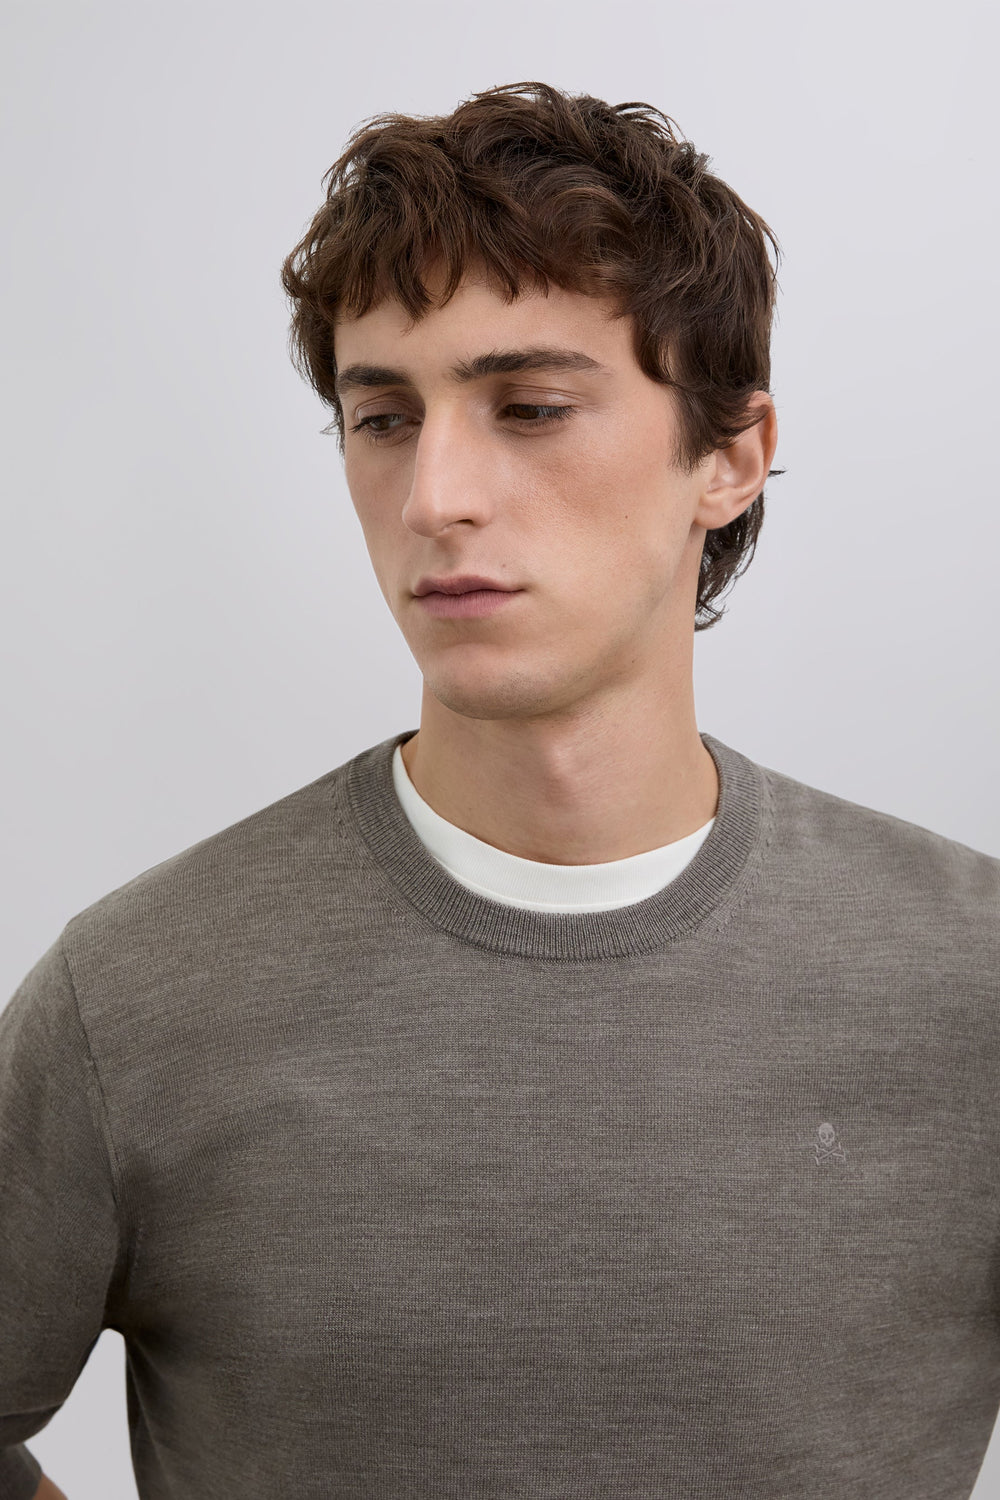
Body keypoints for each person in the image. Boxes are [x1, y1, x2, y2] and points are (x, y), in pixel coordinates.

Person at [2, 79, 998, 1500]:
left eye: (529, 407)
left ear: (731, 455)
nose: (435, 497)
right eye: (382, 418)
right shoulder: (136, 999)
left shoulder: (971, 983)